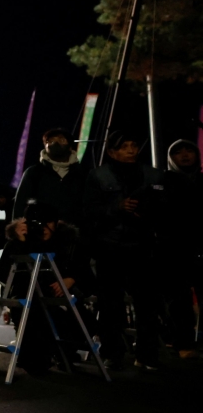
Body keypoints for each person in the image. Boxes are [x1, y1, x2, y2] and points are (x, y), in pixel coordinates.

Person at [84, 131, 165, 370]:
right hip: (110, 247)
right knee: (111, 305)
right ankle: (113, 353)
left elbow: (165, 209)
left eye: (133, 145)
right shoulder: (98, 176)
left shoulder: (152, 174)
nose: (131, 150)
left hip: (144, 246)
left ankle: (147, 355)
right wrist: (117, 208)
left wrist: (148, 211)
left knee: (148, 304)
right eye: (124, 146)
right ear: (111, 151)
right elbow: (89, 211)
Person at [0, 202, 96, 374]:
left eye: (46, 223)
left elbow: (89, 278)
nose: (42, 228)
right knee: (35, 364)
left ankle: (62, 349)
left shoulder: (69, 242)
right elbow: (3, 274)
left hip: (62, 304)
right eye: (36, 223)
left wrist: (70, 280)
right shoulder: (21, 241)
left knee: (82, 328)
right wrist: (19, 244)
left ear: (56, 223)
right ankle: (42, 352)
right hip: (31, 304)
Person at [160, 140, 202, 358]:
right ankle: (183, 343)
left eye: (189, 151)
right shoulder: (164, 181)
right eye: (178, 152)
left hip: (200, 246)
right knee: (179, 300)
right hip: (174, 248)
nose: (185, 155)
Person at [13, 128, 88, 227]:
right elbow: (20, 204)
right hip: (40, 233)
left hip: (74, 234)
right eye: (50, 141)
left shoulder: (83, 173)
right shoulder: (34, 172)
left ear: (70, 147)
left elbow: (90, 206)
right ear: (45, 146)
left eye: (61, 140)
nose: (55, 143)